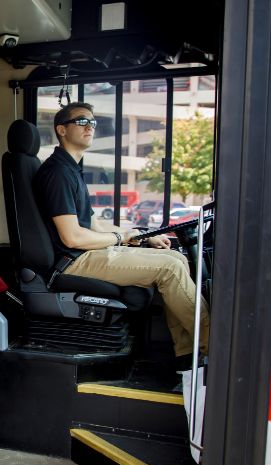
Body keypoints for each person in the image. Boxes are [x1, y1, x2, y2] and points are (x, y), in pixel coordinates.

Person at [33, 102, 209, 359]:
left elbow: (93, 224)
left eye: (92, 122)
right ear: (61, 129)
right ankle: (213, 347)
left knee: (177, 258)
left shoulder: (71, 169)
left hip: (84, 254)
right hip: (73, 261)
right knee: (170, 268)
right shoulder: (57, 173)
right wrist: (120, 238)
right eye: (81, 121)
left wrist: (139, 235)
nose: (90, 127)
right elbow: (72, 237)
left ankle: (185, 356)